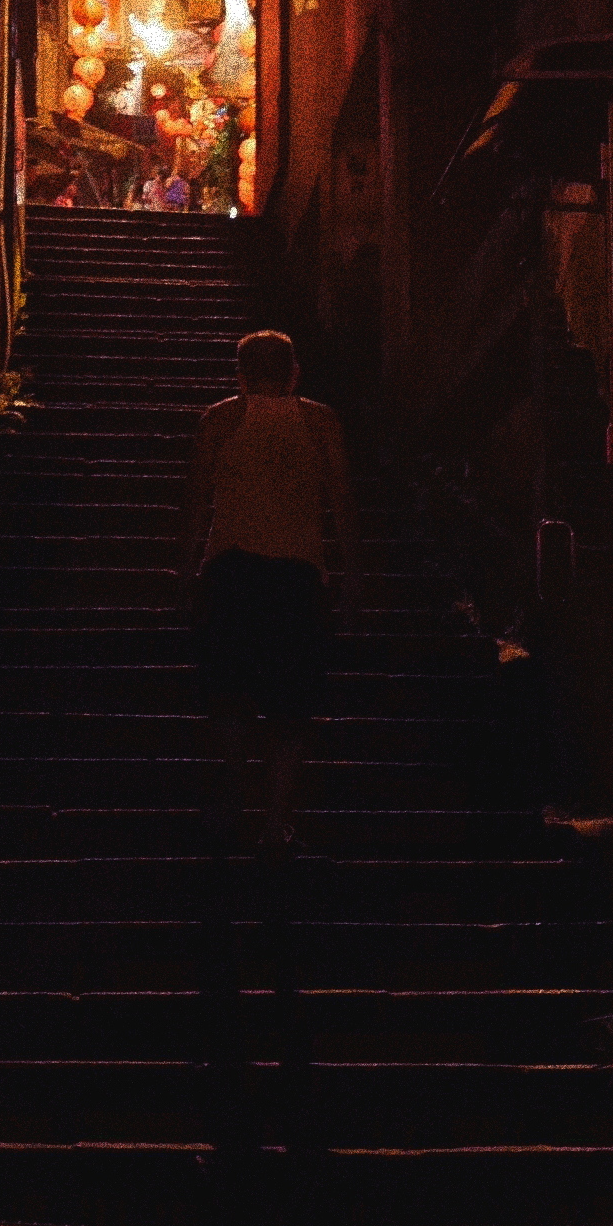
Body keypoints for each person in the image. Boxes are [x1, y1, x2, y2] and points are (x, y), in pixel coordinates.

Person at [178, 330, 358, 853]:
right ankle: (277, 820)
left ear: (240, 372)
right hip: (297, 577)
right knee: (290, 706)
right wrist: (352, 582)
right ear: (293, 370)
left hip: (230, 571)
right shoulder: (320, 422)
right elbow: (342, 507)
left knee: (230, 697)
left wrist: (181, 573)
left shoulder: (220, 420)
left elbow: (195, 504)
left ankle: (235, 804)